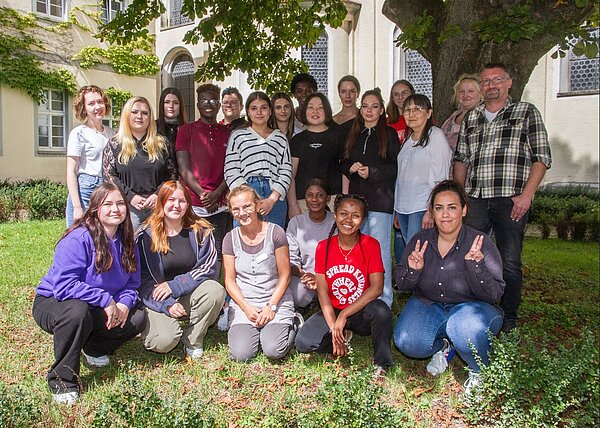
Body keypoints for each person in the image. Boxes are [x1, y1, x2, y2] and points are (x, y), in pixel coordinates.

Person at [453, 63, 552, 332]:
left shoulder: (526, 112)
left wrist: (527, 195)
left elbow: (541, 157)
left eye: (498, 79)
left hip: (511, 200)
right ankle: (471, 309)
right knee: (468, 255)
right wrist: (460, 197)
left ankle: (508, 317)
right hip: (475, 199)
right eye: (486, 81)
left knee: (509, 261)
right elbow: (460, 159)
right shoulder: (471, 117)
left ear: (509, 82)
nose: (491, 85)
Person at [32, 183, 146, 405]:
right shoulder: (78, 238)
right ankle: (62, 380)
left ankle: (93, 348)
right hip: (55, 301)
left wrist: (123, 304)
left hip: (100, 306)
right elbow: (64, 285)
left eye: (120, 203)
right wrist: (104, 299)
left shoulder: (127, 242)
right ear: (95, 208)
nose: (116, 209)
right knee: (77, 312)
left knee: (138, 316)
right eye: (108, 204)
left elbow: (133, 284)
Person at [393, 180, 505, 395]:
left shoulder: (480, 242)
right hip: (428, 304)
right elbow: (402, 284)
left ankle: (478, 371)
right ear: (432, 212)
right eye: (439, 208)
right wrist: (414, 270)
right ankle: (444, 347)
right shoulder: (420, 240)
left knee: (466, 330)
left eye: (452, 207)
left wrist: (477, 268)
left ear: (464, 210)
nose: (445, 214)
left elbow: (495, 293)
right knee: (408, 343)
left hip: (471, 309)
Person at [295, 194, 393, 376]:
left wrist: (345, 316)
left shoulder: (370, 244)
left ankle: (382, 363)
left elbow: (377, 288)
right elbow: (322, 290)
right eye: (343, 214)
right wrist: (334, 327)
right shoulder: (323, 246)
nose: (348, 220)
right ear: (335, 215)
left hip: (361, 311)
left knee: (381, 311)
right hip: (334, 309)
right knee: (303, 343)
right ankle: (341, 337)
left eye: (355, 215)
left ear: (362, 221)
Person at [137, 181, 225, 360]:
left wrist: (174, 286)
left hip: (189, 293)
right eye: (171, 200)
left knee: (215, 291)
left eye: (182, 201)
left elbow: (209, 267)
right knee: (164, 341)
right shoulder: (144, 235)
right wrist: (166, 303)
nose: (176, 205)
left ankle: (193, 339)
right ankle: (154, 325)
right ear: (161, 202)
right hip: (157, 298)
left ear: (188, 204)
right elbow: (139, 279)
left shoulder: (201, 231)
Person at [222, 185, 298, 361]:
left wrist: (271, 307)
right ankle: (252, 330)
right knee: (241, 355)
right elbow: (230, 280)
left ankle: (292, 323)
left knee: (274, 350)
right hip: (245, 303)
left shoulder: (276, 232)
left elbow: (285, 274)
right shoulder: (229, 239)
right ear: (231, 212)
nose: (242, 213)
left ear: (257, 205)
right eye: (236, 209)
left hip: (275, 300)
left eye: (247, 206)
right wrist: (246, 307)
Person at [341, 88, 400, 309]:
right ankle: (360, 293)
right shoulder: (353, 133)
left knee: (380, 249)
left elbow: (395, 167)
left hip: (380, 202)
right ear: (360, 109)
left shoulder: (389, 134)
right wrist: (352, 168)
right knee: (358, 249)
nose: (369, 110)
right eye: (365, 106)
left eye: (374, 106)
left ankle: (383, 297)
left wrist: (372, 172)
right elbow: (343, 162)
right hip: (357, 202)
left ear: (381, 109)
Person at [176, 84, 231, 278]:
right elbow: (184, 168)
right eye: (204, 101)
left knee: (216, 253)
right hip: (193, 205)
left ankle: (214, 294)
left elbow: (231, 167)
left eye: (214, 101)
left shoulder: (228, 132)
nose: (209, 104)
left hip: (220, 206)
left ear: (219, 105)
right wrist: (202, 193)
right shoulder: (186, 131)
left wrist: (216, 194)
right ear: (198, 104)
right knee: (193, 253)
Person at [103, 96, 177, 230]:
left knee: (158, 248)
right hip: (128, 208)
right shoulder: (115, 144)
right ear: (127, 115)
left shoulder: (162, 143)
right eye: (135, 112)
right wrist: (131, 197)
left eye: (145, 113)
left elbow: (171, 174)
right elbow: (109, 176)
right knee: (130, 247)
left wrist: (157, 195)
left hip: (158, 206)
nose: (139, 116)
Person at [224, 91, 292, 228]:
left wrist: (272, 199)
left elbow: (286, 170)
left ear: (270, 111)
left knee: (273, 241)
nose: (259, 112)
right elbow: (231, 169)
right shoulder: (238, 136)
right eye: (254, 108)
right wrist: (249, 196)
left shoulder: (280, 138)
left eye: (263, 107)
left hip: (274, 193)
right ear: (248, 112)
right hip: (245, 191)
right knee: (245, 242)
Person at [394, 94, 452, 245]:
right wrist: (396, 210)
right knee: (411, 249)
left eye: (417, 109)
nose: (411, 114)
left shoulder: (436, 136)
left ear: (429, 113)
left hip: (422, 206)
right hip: (403, 207)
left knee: (419, 251)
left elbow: (442, 177)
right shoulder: (408, 139)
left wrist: (432, 209)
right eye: (408, 110)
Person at [65, 85, 115, 227]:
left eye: (100, 102)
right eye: (91, 104)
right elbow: (71, 171)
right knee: (79, 234)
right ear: (84, 108)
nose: (97, 107)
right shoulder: (79, 133)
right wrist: (77, 207)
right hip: (85, 189)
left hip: (106, 188)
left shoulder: (111, 133)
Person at [287, 92, 343, 218]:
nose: (315, 111)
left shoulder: (337, 137)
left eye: (320, 108)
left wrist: (343, 199)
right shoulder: (297, 140)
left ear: (327, 111)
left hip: (333, 200)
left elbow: (345, 171)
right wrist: (293, 204)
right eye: (311, 107)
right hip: (303, 202)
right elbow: (291, 176)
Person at [286, 179, 335, 310]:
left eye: (319, 195)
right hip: (306, 278)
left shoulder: (336, 222)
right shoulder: (296, 222)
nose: (314, 199)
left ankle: (323, 300)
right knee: (297, 295)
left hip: (332, 278)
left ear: (327, 198)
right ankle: (312, 302)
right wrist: (305, 275)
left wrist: (320, 279)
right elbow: (290, 258)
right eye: (310, 195)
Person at [386, 79, 415, 266]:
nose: (400, 98)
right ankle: (401, 269)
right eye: (396, 94)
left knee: (411, 228)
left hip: (414, 179)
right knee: (397, 228)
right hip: (393, 179)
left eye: (404, 93)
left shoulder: (420, 119)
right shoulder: (388, 122)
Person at [440, 74, 482, 153]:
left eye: (471, 91)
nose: (465, 95)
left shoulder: (483, 117)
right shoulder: (453, 117)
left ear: (481, 94)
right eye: (461, 91)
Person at [156, 87, 187, 179]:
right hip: (158, 181)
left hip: (182, 181)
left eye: (175, 103)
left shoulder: (187, 129)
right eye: (167, 102)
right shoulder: (152, 127)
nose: (171, 106)